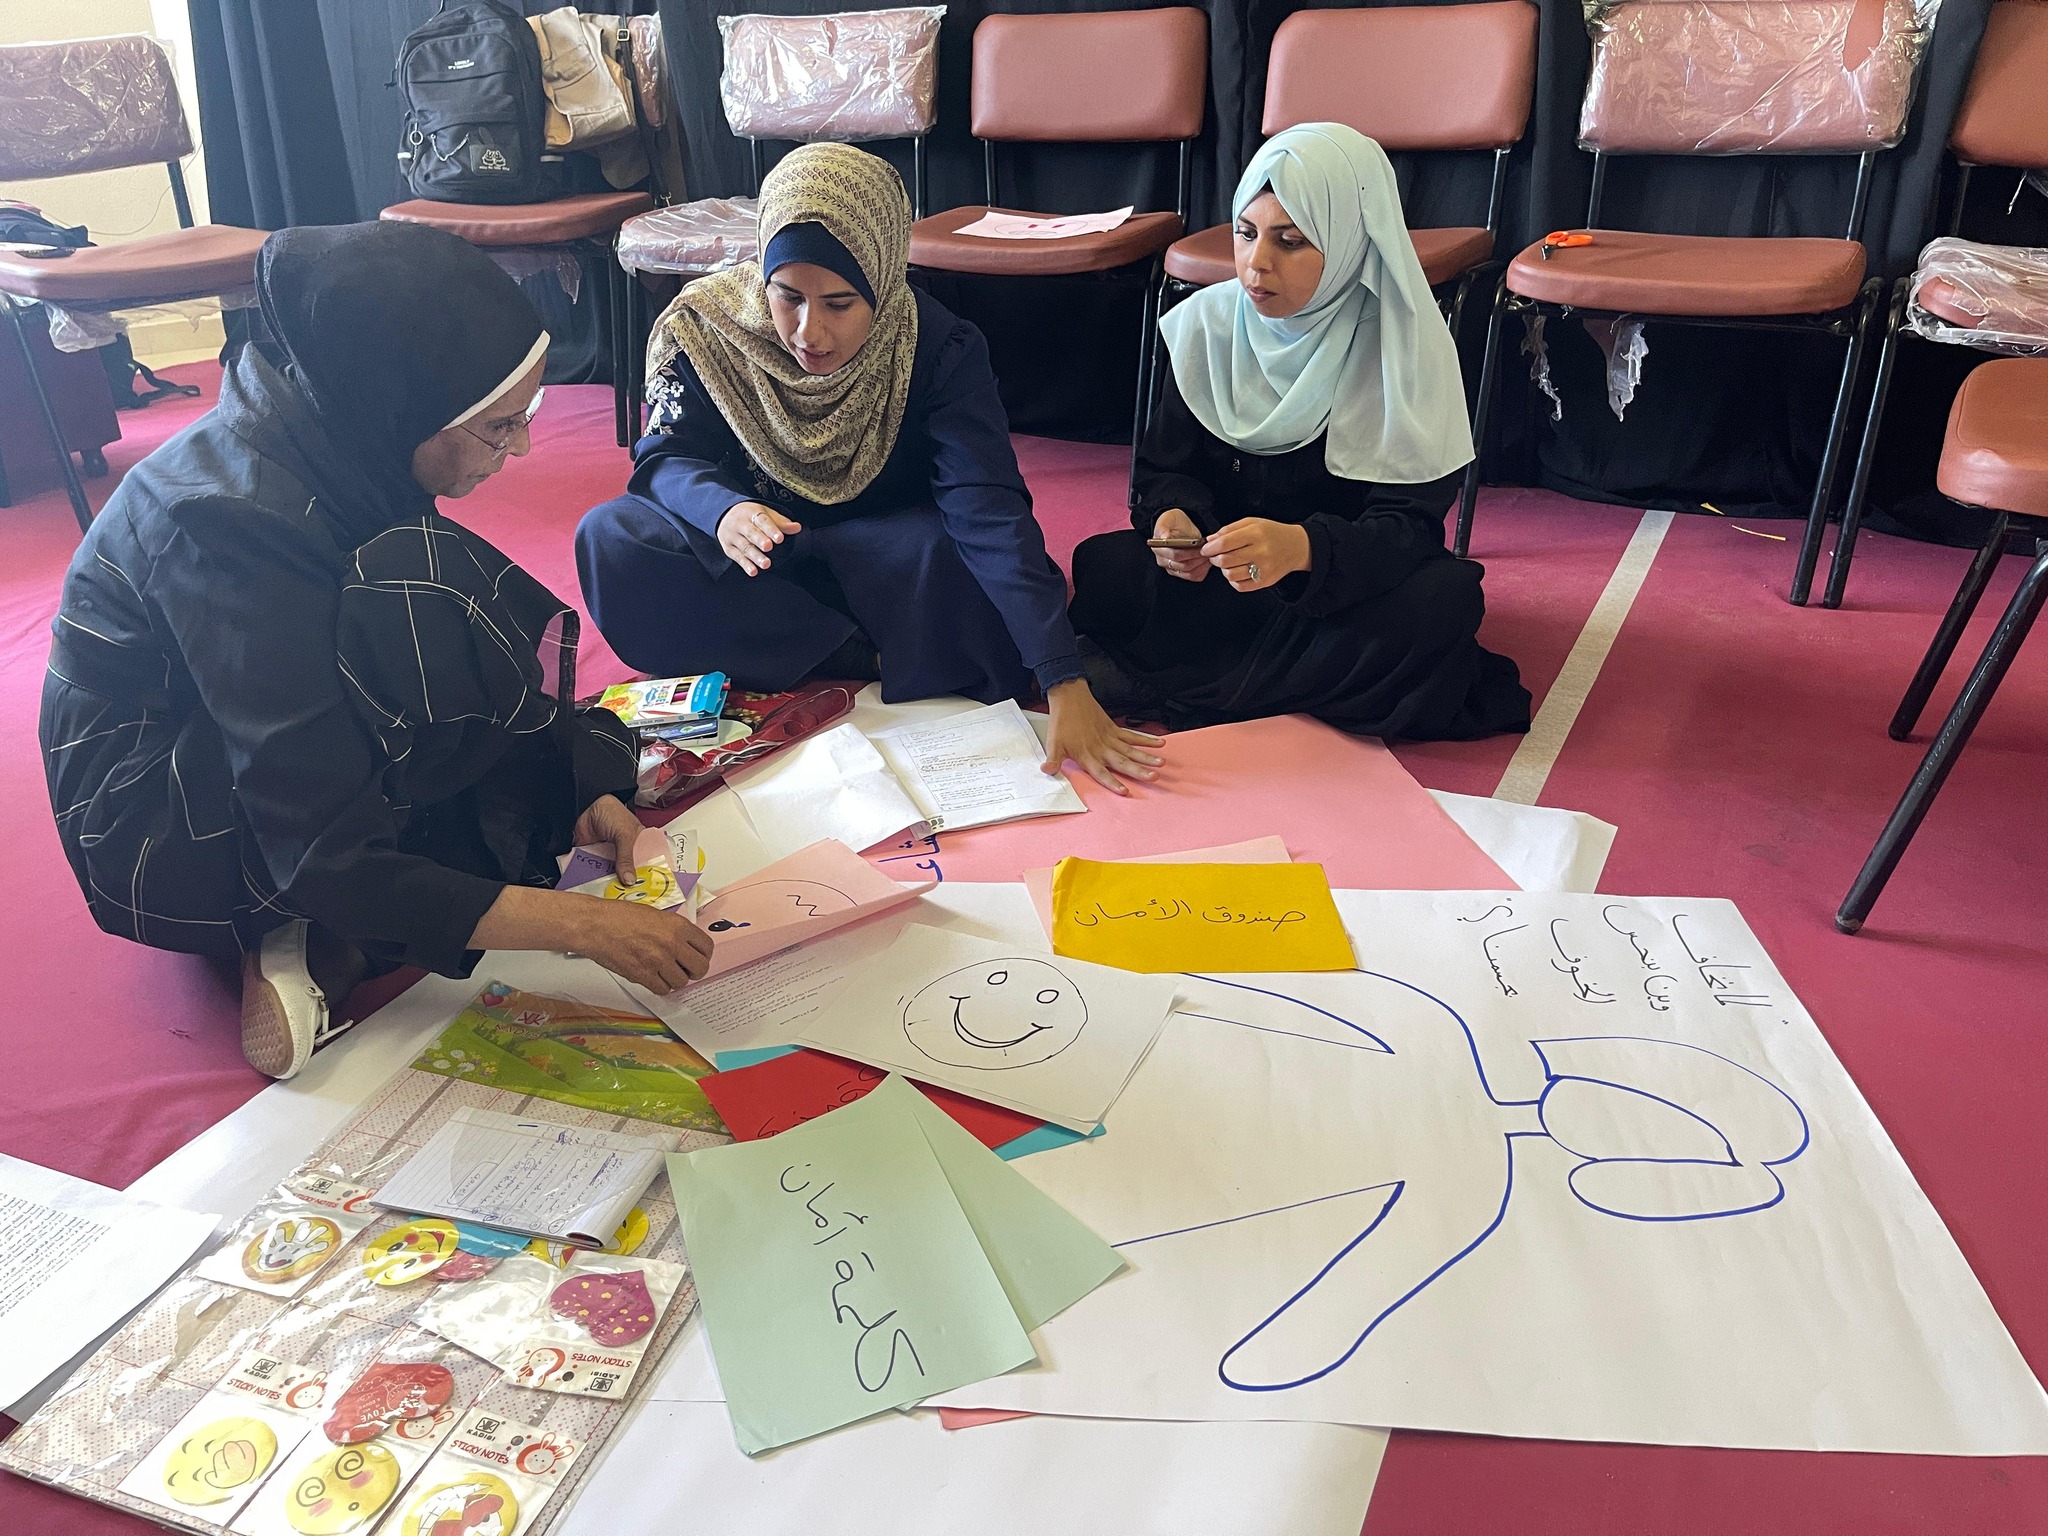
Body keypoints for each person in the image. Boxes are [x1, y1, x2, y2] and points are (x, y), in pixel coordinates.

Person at [40, 222, 713, 1081]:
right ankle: (297, 921)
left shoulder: (337, 427)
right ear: (402, 407)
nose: (521, 448)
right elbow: (319, 827)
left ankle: (322, 933)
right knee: (429, 704)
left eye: (527, 415)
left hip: (253, 723)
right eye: (499, 426)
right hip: (156, 806)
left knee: (455, 646)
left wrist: (575, 791)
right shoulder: (230, 529)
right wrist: (585, 927)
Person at [576, 142, 1160, 793]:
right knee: (613, 540)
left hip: (884, 555)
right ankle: (868, 654)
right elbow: (665, 458)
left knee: (958, 555)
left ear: (881, 281)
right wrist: (724, 510)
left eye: (839, 303)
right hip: (758, 558)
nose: (808, 333)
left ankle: (812, 651)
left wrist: (1061, 676)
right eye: (787, 296)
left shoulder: (937, 346)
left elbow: (986, 506)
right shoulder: (707, 330)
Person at [1069, 123, 1532, 741]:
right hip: (1225, 577)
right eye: (1245, 233)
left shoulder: (1401, 347)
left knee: (1442, 601)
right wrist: (1175, 520)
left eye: (1289, 241)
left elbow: (1406, 531)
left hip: (1331, 586)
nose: (1256, 264)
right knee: (1104, 565)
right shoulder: (1209, 325)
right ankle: (1281, 691)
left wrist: (1301, 549)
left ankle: (1168, 686)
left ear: (1348, 243)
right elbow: (1164, 470)